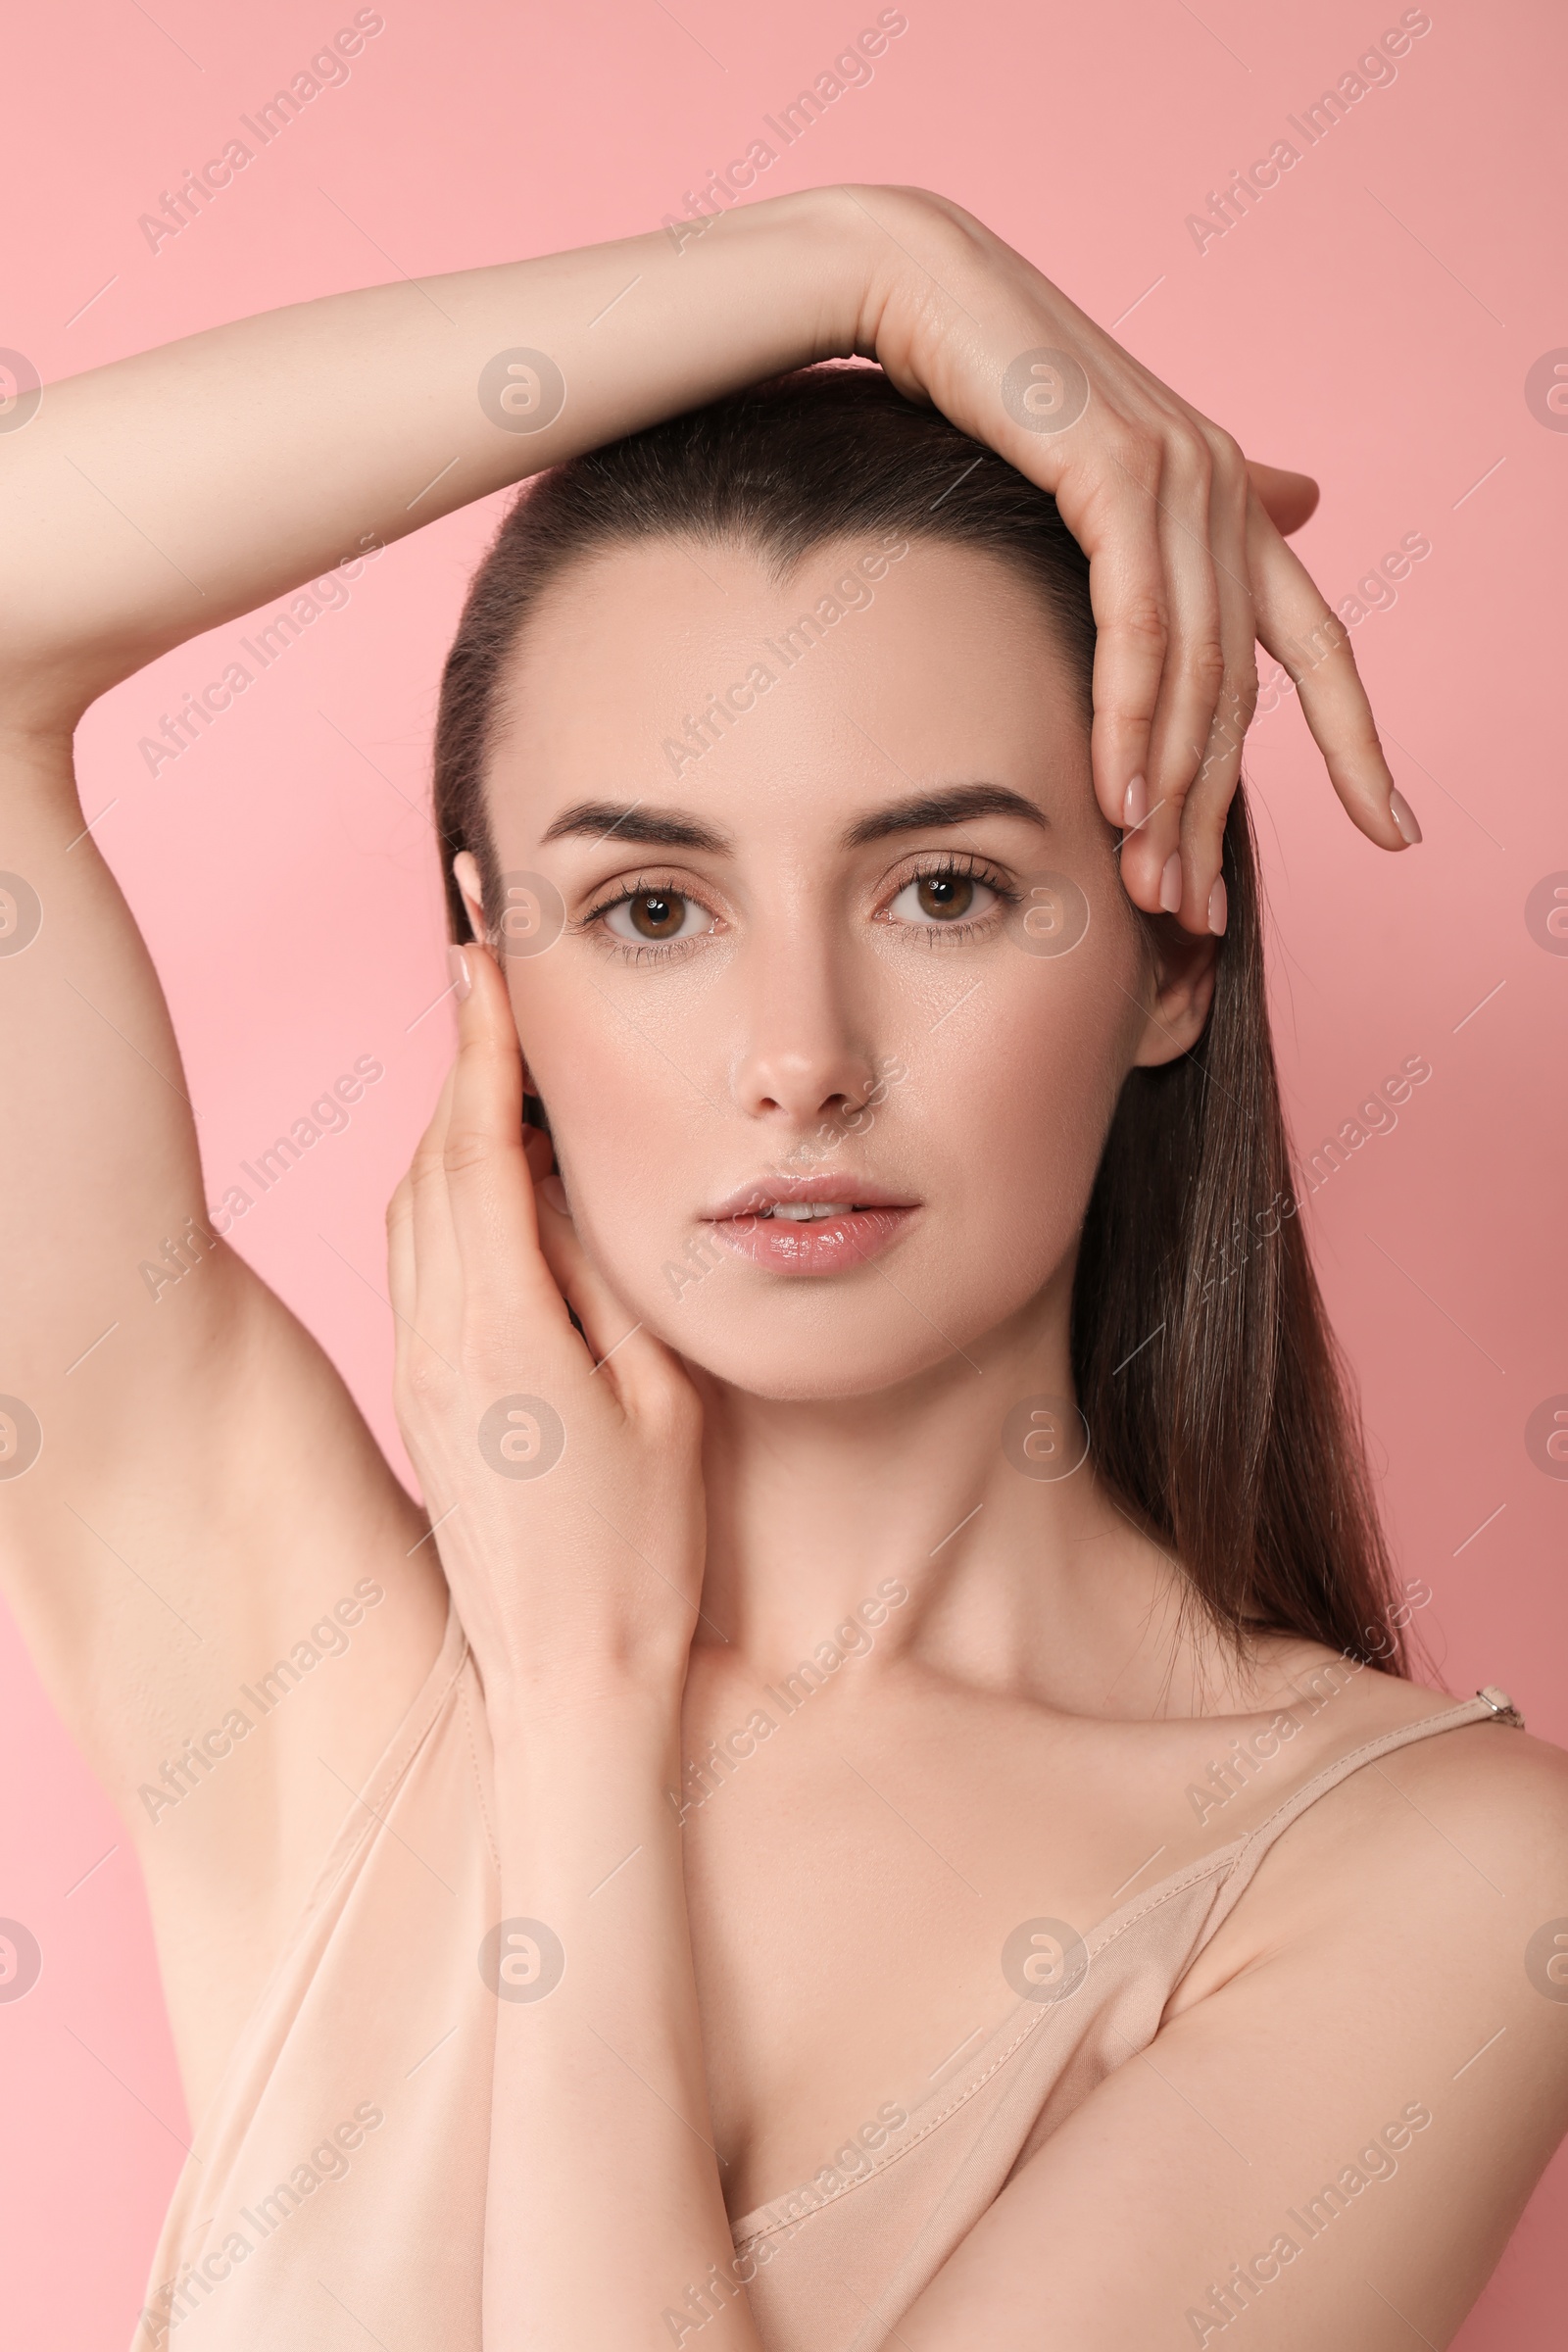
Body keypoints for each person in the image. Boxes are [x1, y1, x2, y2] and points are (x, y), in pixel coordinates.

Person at [1, 183, 1563, 2351]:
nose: (797, 1063)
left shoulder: (1424, 1885)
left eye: (938, 888)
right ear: (493, 970)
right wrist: (854, 258)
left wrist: (579, 1730)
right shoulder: (307, 1667)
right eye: (650, 908)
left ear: (1167, 951)